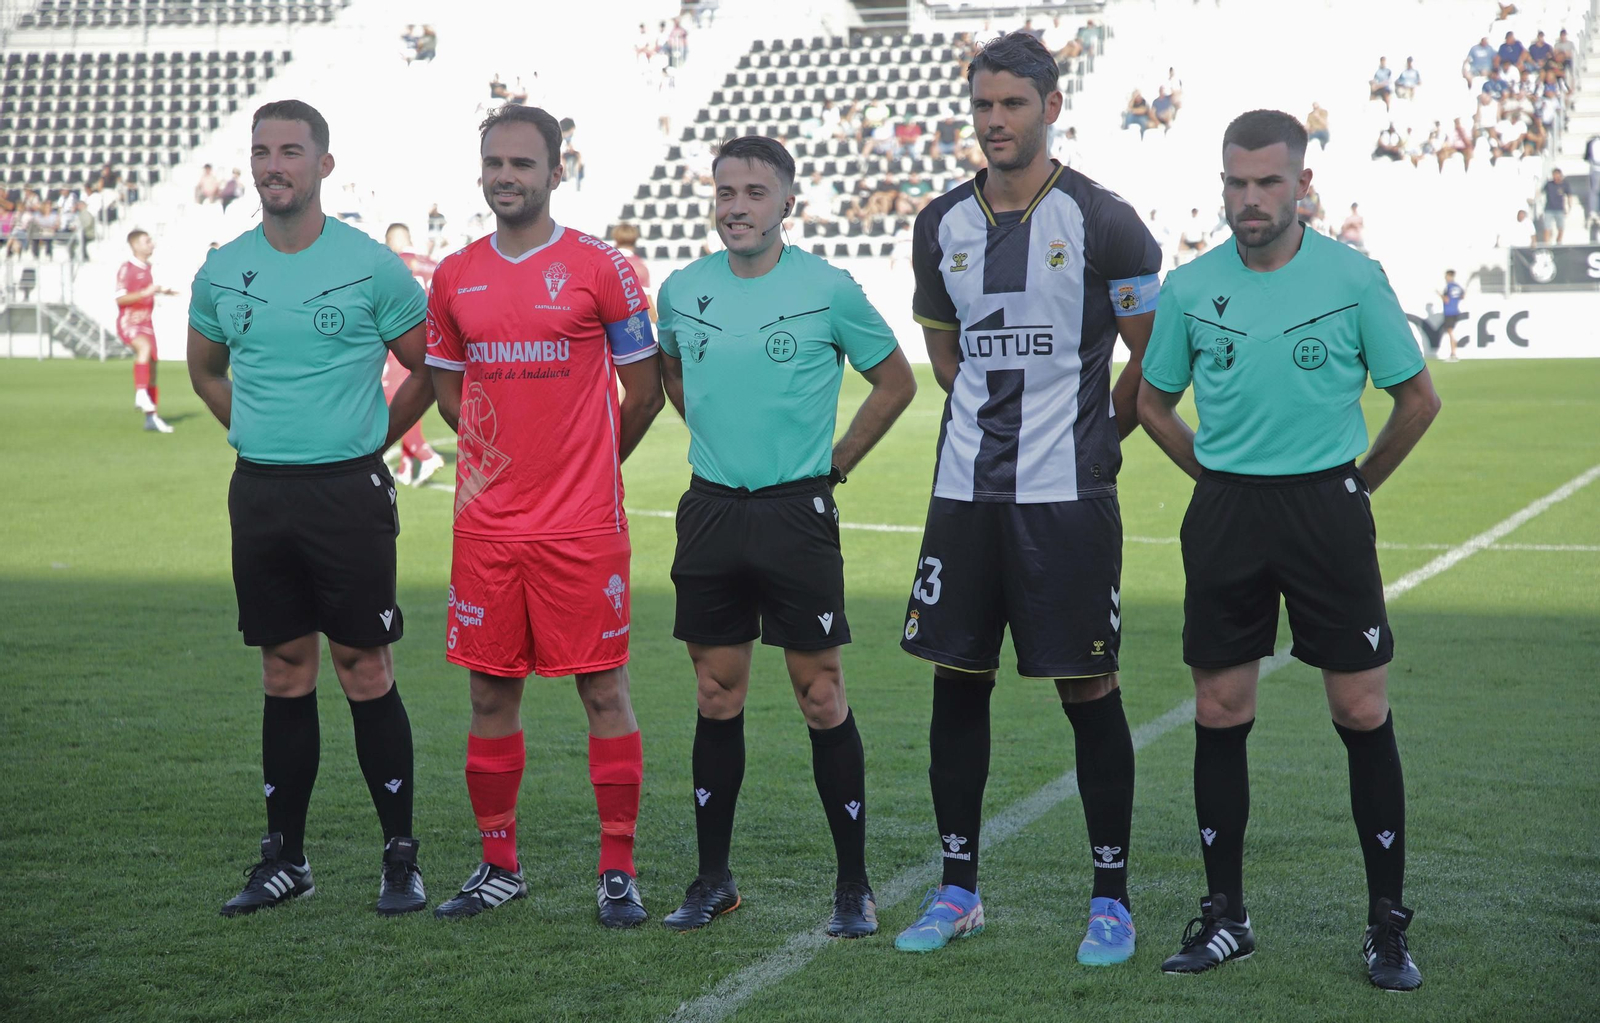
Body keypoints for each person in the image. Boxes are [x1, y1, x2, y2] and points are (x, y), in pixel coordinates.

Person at [1137, 108, 1439, 992]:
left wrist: (1354, 488)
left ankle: (1387, 924)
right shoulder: (1191, 287)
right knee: (1221, 709)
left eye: (1268, 182)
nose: (1249, 199)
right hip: (1227, 512)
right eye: (1236, 182)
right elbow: (1153, 403)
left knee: (1359, 710)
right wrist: (1215, 475)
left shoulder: (1353, 276)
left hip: (1326, 509)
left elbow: (1416, 398)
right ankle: (1226, 916)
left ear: (1303, 185)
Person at [893, 31, 1161, 966]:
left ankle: (1111, 900)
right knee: (955, 678)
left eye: (1012, 105)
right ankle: (958, 888)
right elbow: (942, 353)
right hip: (965, 493)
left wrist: (1097, 437)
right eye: (982, 106)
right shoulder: (939, 224)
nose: (994, 122)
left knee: (1087, 684)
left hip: (1068, 497)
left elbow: (1150, 358)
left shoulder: (1107, 220)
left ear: (1050, 107)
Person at [654, 134, 916, 937]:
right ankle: (712, 879)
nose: (736, 206)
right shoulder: (679, 289)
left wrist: (832, 465)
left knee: (820, 693)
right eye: (725, 191)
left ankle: (853, 886)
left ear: (787, 203)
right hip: (710, 512)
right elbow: (671, 370)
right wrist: (717, 436)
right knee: (714, 692)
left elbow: (896, 381)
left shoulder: (827, 289)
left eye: (755, 192)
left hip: (795, 515)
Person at [187, 100, 434, 918]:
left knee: (364, 668)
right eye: (261, 152)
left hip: (347, 494)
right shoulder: (223, 268)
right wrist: (261, 433)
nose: (272, 165)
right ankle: (284, 857)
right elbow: (206, 371)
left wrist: (369, 438)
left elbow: (428, 367)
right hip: (260, 493)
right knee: (283, 669)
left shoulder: (373, 267)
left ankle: (400, 856)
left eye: (290, 150)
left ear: (324, 164)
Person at [422, 105, 665, 927]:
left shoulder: (603, 267)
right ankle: (498, 865)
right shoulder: (454, 275)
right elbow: (450, 386)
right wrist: (493, 455)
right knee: (490, 697)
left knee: (604, 690)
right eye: (494, 162)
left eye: (523, 164)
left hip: (581, 525)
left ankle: (618, 868)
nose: (506, 176)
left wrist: (591, 464)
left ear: (556, 171)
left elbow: (645, 389)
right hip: (488, 528)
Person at [381, 223, 445, 486]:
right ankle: (407, 467)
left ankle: (425, 454)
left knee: (393, 401)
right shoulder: (432, 264)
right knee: (413, 397)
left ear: (391, 241)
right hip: (433, 342)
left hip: (403, 341)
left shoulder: (393, 265)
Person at [115, 229, 178, 432]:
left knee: (152, 370)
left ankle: (152, 418)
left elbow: (148, 292)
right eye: (147, 241)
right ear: (135, 245)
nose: (151, 244)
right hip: (130, 322)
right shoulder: (127, 268)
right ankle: (140, 393)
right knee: (142, 349)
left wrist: (161, 291)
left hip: (147, 324)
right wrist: (145, 292)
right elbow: (120, 299)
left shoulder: (148, 268)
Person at [1437, 270, 1466, 361]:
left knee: (1450, 333)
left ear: (1449, 276)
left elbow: (1446, 300)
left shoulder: (1448, 287)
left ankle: (1453, 353)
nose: (1446, 278)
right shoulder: (1457, 286)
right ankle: (1453, 352)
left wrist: (1439, 294)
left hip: (1449, 312)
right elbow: (1462, 296)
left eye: (1446, 276)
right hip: (1455, 311)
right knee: (1451, 332)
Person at [1542, 169, 1572, 243]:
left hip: (1560, 209)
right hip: (1549, 209)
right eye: (1554, 175)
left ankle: (1559, 242)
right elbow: (1540, 191)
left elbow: (1569, 195)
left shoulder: (1564, 184)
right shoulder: (1549, 184)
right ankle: (1547, 244)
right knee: (1547, 227)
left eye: (1557, 175)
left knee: (1561, 228)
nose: (1556, 177)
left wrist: (1569, 206)